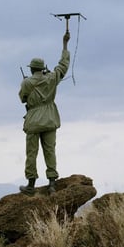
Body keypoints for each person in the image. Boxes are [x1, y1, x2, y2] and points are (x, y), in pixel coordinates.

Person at [19, 31, 70, 195]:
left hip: (33, 120)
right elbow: (62, 66)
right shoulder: (51, 78)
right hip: (49, 118)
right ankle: (52, 184)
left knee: (31, 153)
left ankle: (31, 184)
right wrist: (64, 45)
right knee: (50, 151)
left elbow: (22, 98)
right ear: (43, 68)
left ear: (32, 68)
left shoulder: (27, 82)